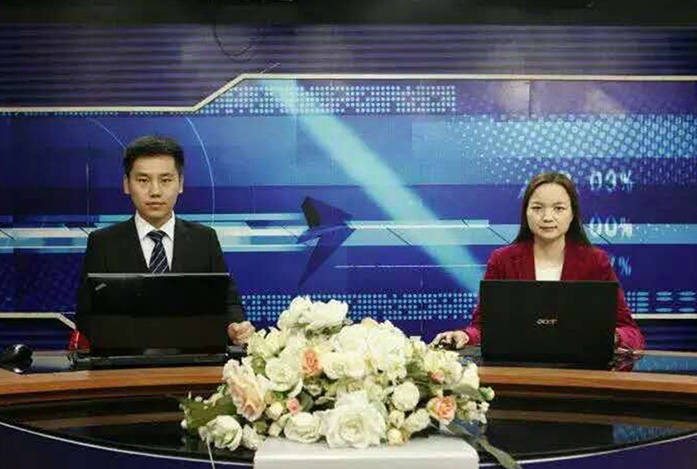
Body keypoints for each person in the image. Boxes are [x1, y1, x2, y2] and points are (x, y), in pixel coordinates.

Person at [72, 135, 254, 348]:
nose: (155, 191)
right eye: (143, 180)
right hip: (126, 360)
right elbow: (86, 314)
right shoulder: (103, 243)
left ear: (180, 184)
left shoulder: (204, 239)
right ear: (126, 184)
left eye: (165, 180)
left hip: (192, 359)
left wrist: (234, 326)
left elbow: (228, 302)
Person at [432, 171, 645, 351]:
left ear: (572, 214)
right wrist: (463, 336)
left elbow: (632, 333)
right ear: (526, 213)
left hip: (580, 373)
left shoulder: (596, 262)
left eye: (559, 208)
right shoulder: (502, 260)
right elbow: (482, 327)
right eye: (537, 208)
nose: (547, 217)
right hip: (518, 370)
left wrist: (612, 337)